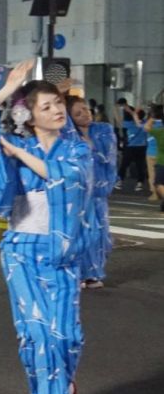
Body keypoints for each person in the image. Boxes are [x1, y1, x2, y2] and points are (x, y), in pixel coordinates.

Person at [0, 59, 89, 394]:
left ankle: (63, 386)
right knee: (35, 328)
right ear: (29, 116)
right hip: (21, 248)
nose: (57, 111)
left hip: (62, 250)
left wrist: (20, 155)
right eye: (46, 107)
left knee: (65, 333)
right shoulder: (15, 143)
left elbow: (66, 178)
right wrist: (8, 89)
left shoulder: (76, 149)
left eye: (58, 103)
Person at [66, 95, 117, 289]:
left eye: (86, 109)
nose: (85, 114)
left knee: (100, 233)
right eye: (78, 113)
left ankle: (94, 273)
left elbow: (109, 157)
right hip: (77, 191)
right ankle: (78, 273)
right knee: (79, 232)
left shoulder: (103, 129)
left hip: (99, 190)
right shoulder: (68, 135)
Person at [116, 101, 148, 191]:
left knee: (124, 165)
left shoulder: (128, 123)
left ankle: (119, 181)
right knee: (140, 166)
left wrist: (127, 110)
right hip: (142, 147)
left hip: (130, 147)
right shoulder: (145, 123)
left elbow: (119, 120)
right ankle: (140, 183)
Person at [144, 105, 164, 212]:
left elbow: (146, 127)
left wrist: (152, 117)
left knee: (155, 179)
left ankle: (155, 194)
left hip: (155, 156)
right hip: (158, 156)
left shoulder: (159, 131)